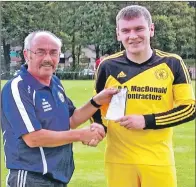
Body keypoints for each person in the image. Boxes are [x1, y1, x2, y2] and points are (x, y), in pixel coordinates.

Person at [92, 5, 195, 187]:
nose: (133, 36)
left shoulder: (172, 63)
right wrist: (99, 128)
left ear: (151, 29)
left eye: (139, 28)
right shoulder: (108, 66)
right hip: (119, 159)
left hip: (158, 159)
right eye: (125, 30)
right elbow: (97, 108)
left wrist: (146, 121)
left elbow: (189, 108)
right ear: (118, 34)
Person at [1, 31, 118, 187]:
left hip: (58, 178)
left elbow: (71, 120)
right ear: (27, 54)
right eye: (40, 52)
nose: (48, 59)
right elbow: (33, 138)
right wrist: (81, 135)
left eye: (53, 52)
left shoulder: (55, 83)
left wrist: (97, 101)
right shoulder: (18, 87)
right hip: (30, 178)